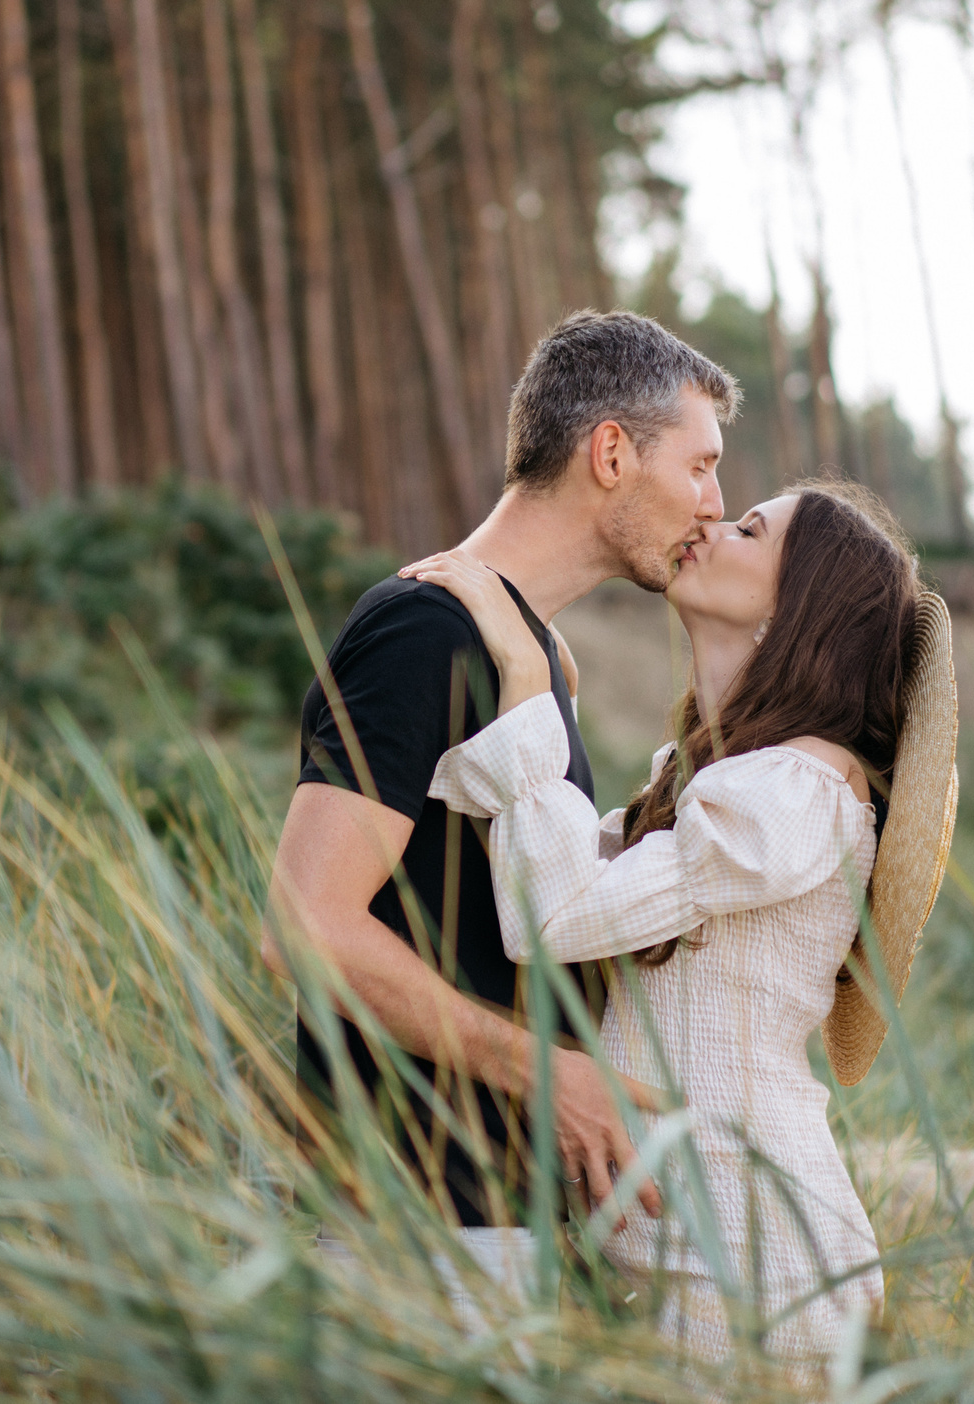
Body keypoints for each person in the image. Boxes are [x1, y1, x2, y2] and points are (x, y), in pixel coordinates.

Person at [400, 480, 961, 1377]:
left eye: (749, 530)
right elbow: (565, 869)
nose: (712, 522)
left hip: (757, 1259)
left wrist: (525, 684)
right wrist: (552, 707)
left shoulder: (797, 792)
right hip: (689, 1246)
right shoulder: (714, 775)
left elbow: (553, 916)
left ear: (797, 611)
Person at [259, 310, 739, 1303]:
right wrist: (544, 1076)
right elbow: (303, 926)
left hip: (480, 1215)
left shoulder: (525, 662)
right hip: (399, 1213)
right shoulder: (426, 632)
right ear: (610, 451)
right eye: (699, 466)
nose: (714, 502)